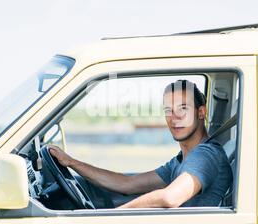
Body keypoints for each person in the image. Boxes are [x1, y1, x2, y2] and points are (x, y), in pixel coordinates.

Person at [49, 79, 233, 208]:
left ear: (201, 112)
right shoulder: (181, 161)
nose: (174, 117)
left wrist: (115, 216)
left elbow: (170, 197)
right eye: (168, 110)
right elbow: (127, 184)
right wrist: (71, 162)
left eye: (183, 108)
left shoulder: (205, 155)